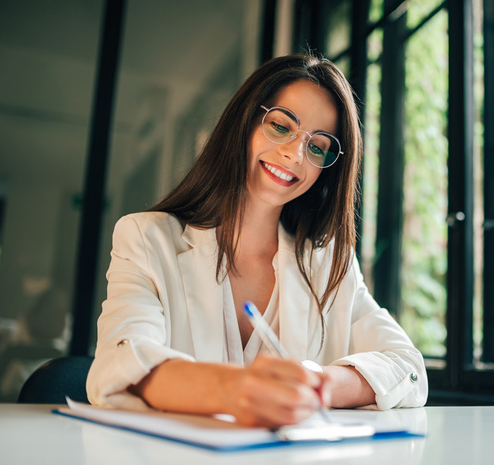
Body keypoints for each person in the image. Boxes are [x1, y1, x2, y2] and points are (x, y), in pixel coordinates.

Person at [86, 53, 427, 427]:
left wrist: (319, 384)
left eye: (317, 147)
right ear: (245, 123)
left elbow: (408, 368)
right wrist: (237, 390)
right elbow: (120, 364)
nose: (294, 154)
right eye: (281, 126)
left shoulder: (328, 262)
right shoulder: (146, 239)